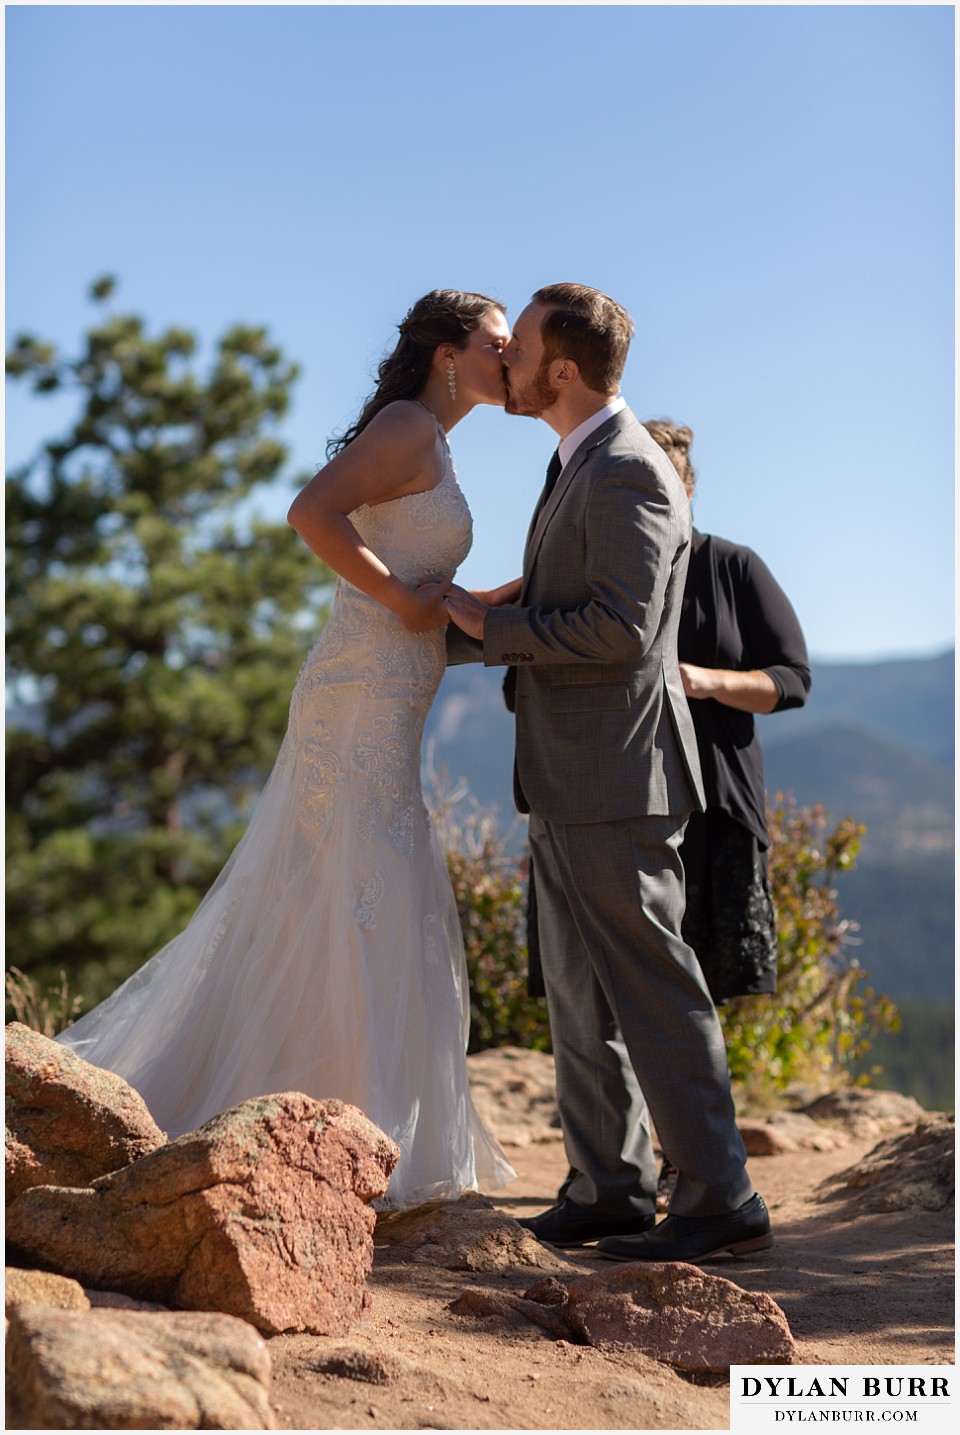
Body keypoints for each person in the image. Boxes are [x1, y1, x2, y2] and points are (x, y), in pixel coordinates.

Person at [57, 289, 516, 1210]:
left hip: (392, 697)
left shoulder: (437, 438)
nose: (513, 359)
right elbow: (312, 514)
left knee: (366, 884)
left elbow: (426, 588)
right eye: (498, 344)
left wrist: (512, 596)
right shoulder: (406, 425)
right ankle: (333, 1124)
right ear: (447, 353)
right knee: (355, 880)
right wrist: (401, 603)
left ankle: (349, 1124)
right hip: (353, 696)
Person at [444, 283, 771, 1263]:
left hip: (618, 781)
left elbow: (622, 631)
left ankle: (721, 1197)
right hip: (566, 776)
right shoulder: (576, 462)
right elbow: (561, 603)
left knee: (654, 991)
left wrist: (483, 627)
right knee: (582, 997)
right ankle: (609, 1188)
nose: (506, 366)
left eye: (521, 350)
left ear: (564, 371)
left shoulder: (628, 469)